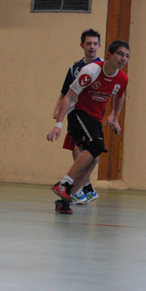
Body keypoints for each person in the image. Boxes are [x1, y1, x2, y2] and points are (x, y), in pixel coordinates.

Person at [47, 40, 130, 214]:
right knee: (97, 145)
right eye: (120, 54)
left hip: (95, 118)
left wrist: (115, 117)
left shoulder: (122, 79)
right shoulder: (91, 71)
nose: (124, 59)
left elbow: (120, 96)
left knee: (94, 158)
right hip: (78, 112)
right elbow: (69, 97)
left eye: (127, 56)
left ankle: (64, 200)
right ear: (108, 55)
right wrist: (58, 125)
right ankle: (64, 183)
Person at [52, 29, 103, 207]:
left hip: (92, 115)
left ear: (99, 45)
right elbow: (65, 91)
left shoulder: (101, 67)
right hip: (75, 113)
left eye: (95, 44)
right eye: (88, 43)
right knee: (79, 149)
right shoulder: (75, 67)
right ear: (82, 45)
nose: (92, 47)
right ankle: (85, 189)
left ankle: (79, 189)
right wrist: (58, 108)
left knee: (84, 150)